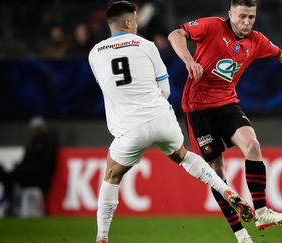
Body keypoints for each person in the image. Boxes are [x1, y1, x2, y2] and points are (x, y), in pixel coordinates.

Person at [87, 2, 254, 243]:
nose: (136, 25)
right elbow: (164, 90)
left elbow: (108, 89)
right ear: (126, 23)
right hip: (161, 118)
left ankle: (102, 238)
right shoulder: (146, 45)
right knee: (184, 156)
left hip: (130, 127)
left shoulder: (95, 53)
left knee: (112, 175)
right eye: (135, 21)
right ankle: (225, 189)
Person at [168, 0, 282, 242]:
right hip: (198, 107)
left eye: (251, 17)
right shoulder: (212, 26)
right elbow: (176, 34)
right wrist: (189, 60)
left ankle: (261, 212)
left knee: (253, 145)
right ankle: (241, 234)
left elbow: (281, 55)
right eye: (242, 16)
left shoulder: (256, 40)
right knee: (217, 171)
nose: (247, 22)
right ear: (230, 14)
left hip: (227, 103)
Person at [0, 116, 58, 217]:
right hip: (27, 174)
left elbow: (45, 166)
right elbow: (25, 161)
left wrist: (24, 170)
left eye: (37, 129)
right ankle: (7, 203)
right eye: (34, 129)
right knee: (9, 175)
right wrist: (20, 169)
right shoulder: (32, 144)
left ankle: (7, 203)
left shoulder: (47, 144)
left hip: (38, 177)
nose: (35, 131)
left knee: (10, 175)